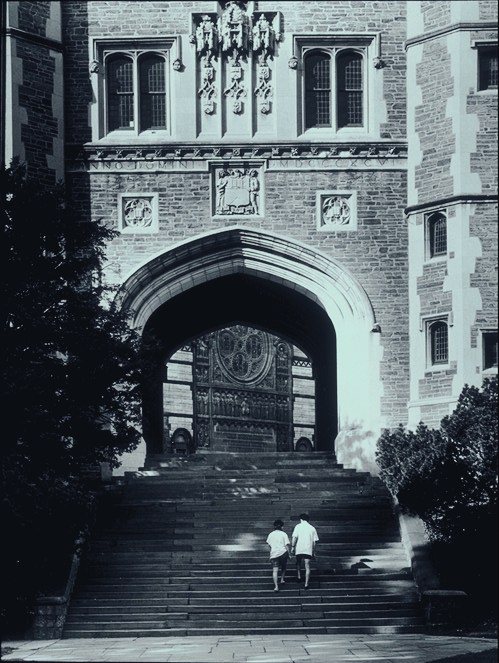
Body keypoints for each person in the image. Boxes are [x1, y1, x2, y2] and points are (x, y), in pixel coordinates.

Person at [291, 513, 319, 589]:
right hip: (308, 549)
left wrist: (293, 547)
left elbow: (294, 538)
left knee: (298, 563)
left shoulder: (298, 526)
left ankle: (299, 576)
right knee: (307, 566)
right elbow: (314, 542)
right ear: (308, 519)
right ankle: (306, 584)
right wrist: (314, 552)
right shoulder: (312, 528)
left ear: (301, 519)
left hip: (299, 548)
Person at [266, 519, 291, 592]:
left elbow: (269, 545)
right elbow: (286, 545)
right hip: (283, 552)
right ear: (281, 526)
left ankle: (276, 586)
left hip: (274, 553)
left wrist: (271, 554)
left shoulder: (271, 534)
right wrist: (289, 554)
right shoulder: (284, 534)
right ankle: (282, 579)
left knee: (275, 570)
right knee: (284, 566)